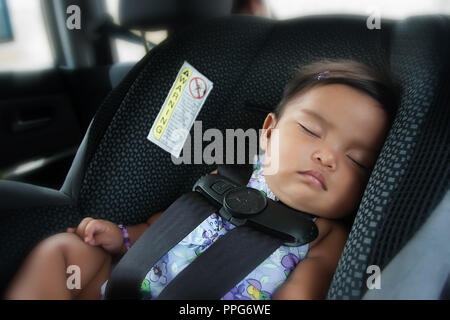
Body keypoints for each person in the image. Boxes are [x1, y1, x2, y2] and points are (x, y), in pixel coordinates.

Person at [4, 59, 400, 300]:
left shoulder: (326, 237)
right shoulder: (224, 179)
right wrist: (125, 236)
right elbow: (165, 228)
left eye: (356, 160)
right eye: (312, 131)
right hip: (125, 287)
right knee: (66, 252)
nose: (326, 156)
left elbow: (303, 292)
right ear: (268, 132)